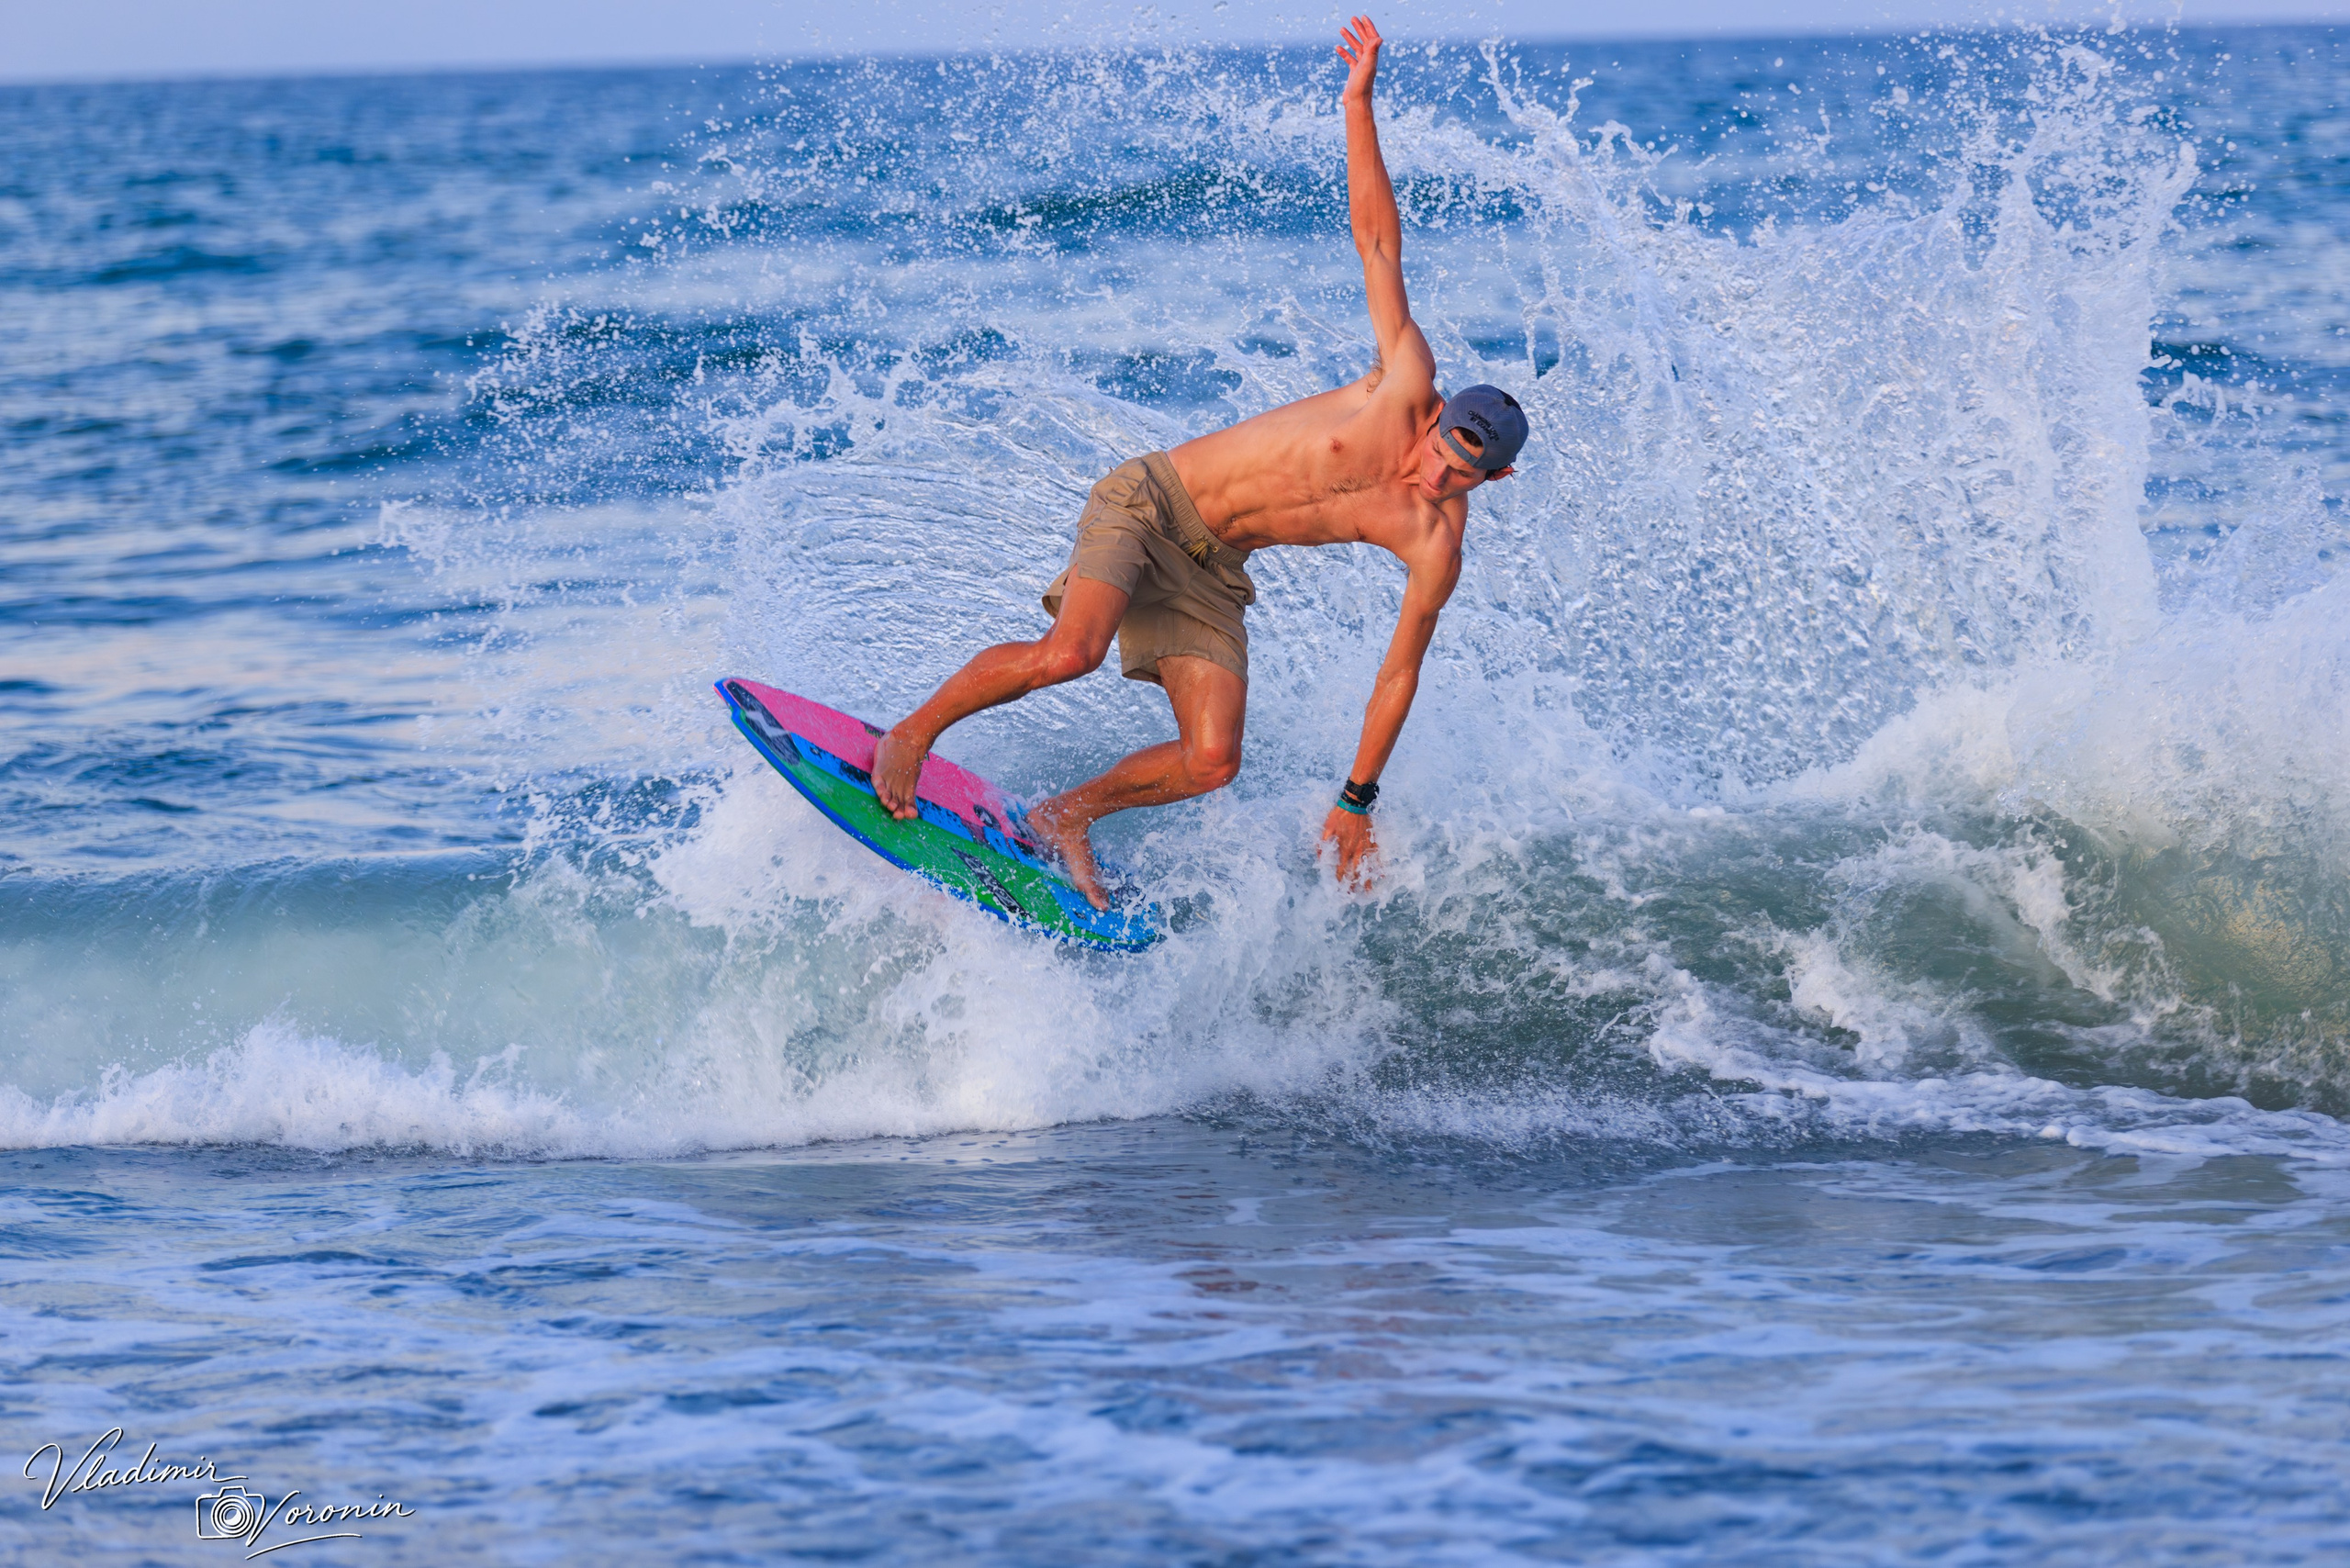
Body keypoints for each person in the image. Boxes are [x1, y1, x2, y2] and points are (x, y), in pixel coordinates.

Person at [871, 14, 1528, 908]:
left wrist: (1356, 801)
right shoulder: (1405, 379)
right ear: (1439, 416)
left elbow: (1399, 670)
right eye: (1439, 447)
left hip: (1213, 575)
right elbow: (1376, 239)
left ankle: (1067, 815)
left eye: (1460, 474)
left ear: (1494, 480)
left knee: (1213, 759)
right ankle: (912, 733)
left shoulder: (1434, 545)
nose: (1433, 472)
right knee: (1071, 652)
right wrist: (1357, 102)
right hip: (1150, 503)